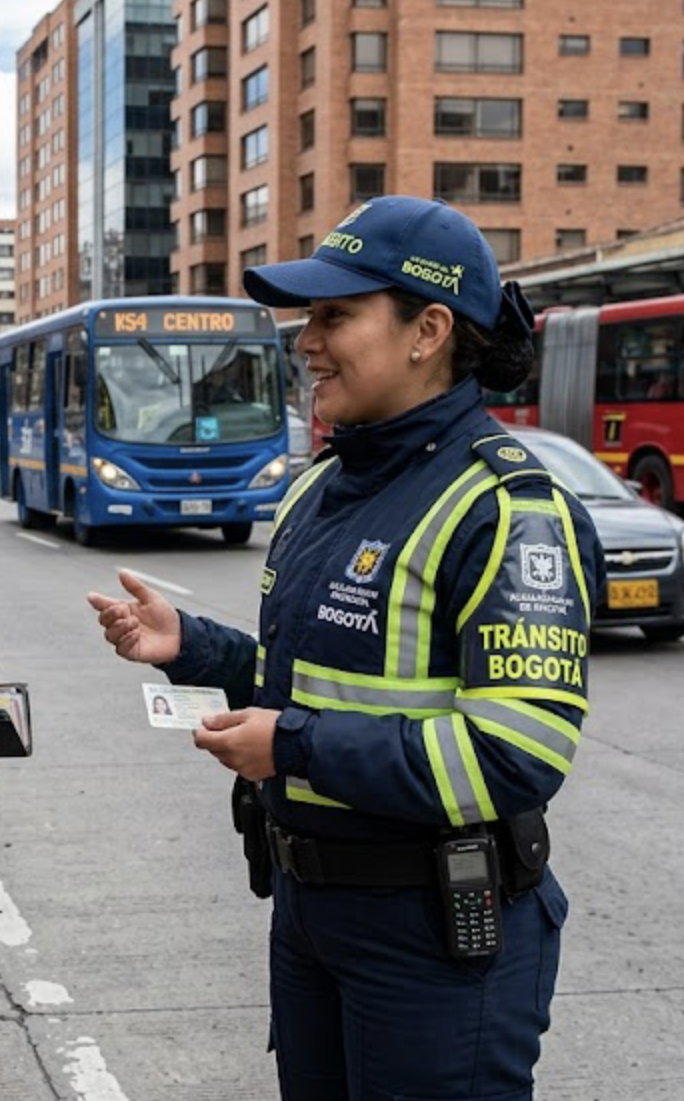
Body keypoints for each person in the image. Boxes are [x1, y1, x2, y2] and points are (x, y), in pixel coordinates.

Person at [87, 196, 604, 1101]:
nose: (306, 342)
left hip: (432, 934)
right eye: (308, 317)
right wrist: (193, 647)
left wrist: (291, 748)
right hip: (310, 911)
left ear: (428, 331)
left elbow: (517, 754)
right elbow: (311, 682)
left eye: (335, 316)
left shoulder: (506, 507)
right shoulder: (321, 488)